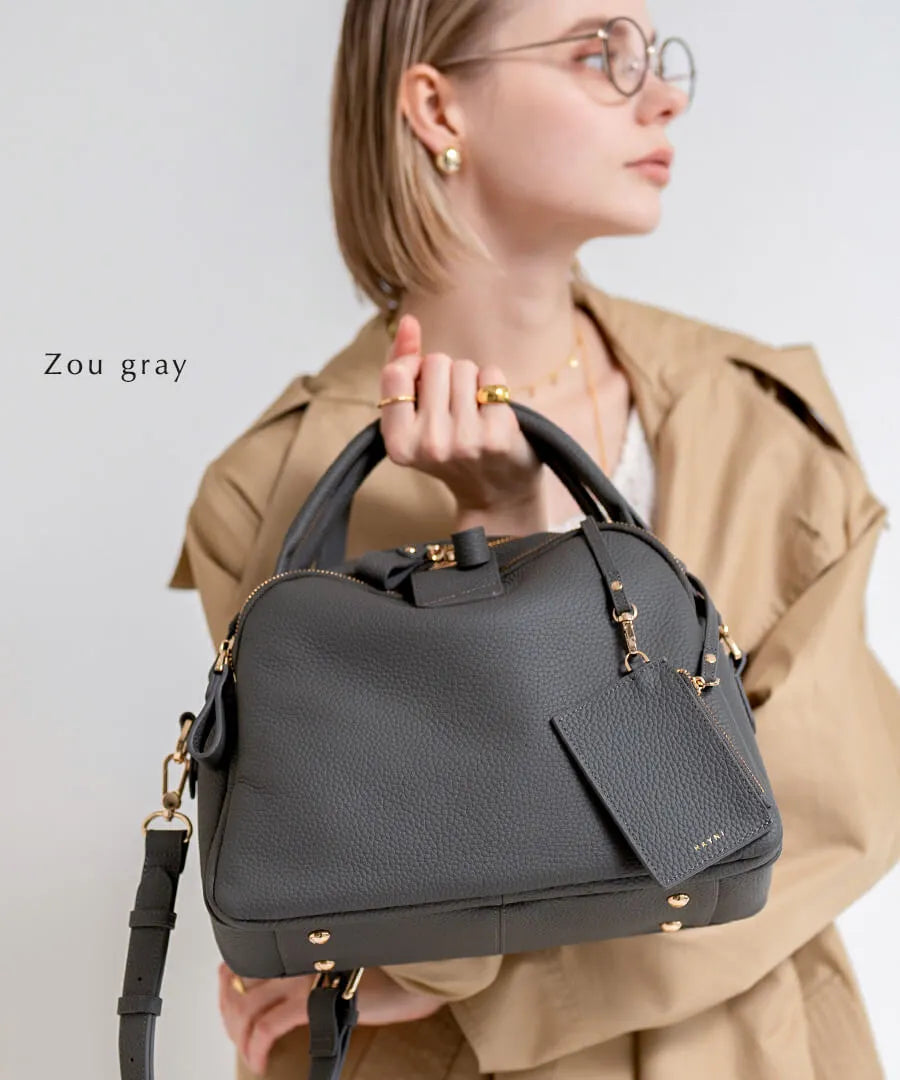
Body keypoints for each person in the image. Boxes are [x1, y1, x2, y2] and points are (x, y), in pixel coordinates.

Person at [166, 1, 900, 1077]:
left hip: (753, 1045)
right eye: (599, 53)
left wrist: (458, 978)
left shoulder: (759, 415)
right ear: (436, 107)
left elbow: (819, 811)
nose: (665, 97)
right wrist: (501, 538)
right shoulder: (271, 490)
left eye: (657, 56)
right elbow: (334, 859)